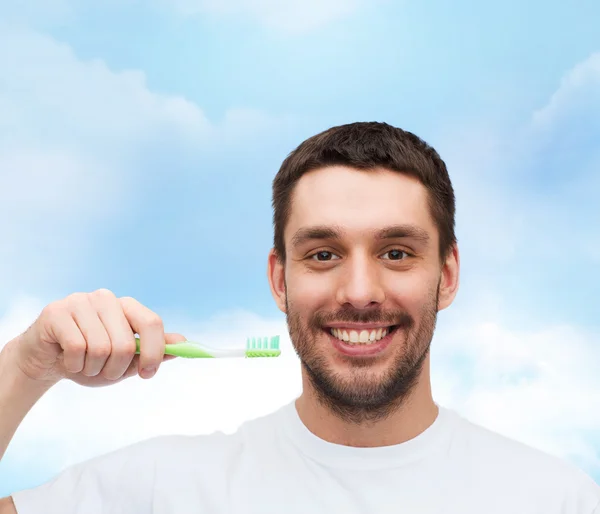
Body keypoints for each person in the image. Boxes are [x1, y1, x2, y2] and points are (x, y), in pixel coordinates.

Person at [0, 122, 598, 513]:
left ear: (446, 275)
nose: (359, 291)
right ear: (279, 280)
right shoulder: (162, 489)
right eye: (323, 254)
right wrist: (26, 366)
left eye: (396, 252)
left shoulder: (554, 498)